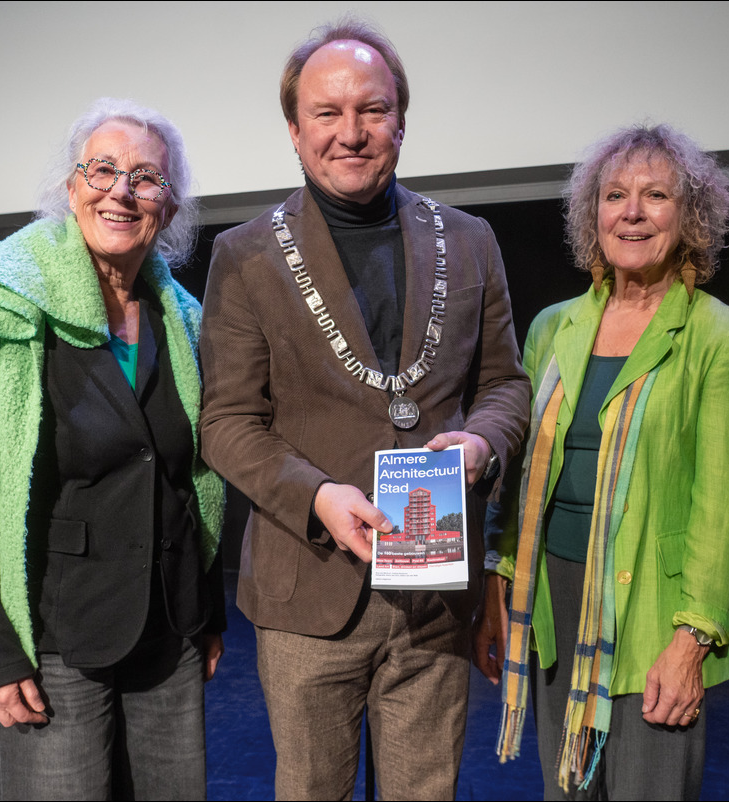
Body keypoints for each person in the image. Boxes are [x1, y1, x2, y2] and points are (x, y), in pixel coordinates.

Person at [199, 19, 531, 801]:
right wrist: (318, 495)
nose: (351, 133)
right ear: (294, 130)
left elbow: (506, 386)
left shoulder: (471, 240)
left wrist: (481, 446)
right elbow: (226, 423)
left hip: (435, 598)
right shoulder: (245, 256)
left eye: (372, 110)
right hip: (310, 591)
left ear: (401, 122)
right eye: (327, 113)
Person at [0, 98, 225, 801]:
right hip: (54, 643)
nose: (122, 189)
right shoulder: (0, 311)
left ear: (169, 208)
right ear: (71, 189)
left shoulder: (186, 322)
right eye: (103, 169)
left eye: (146, 178)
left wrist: (209, 608)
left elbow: (195, 482)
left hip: (170, 630)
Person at [473, 124, 729, 800]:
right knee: (567, 792)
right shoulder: (554, 325)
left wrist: (692, 639)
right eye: (614, 196)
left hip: (654, 615)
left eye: (655, 195)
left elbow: (727, 506)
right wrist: (499, 584)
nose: (631, 212)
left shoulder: (721, 334)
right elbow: (521, 481)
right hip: (552, 602)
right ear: (591, 215)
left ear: (689, 217)